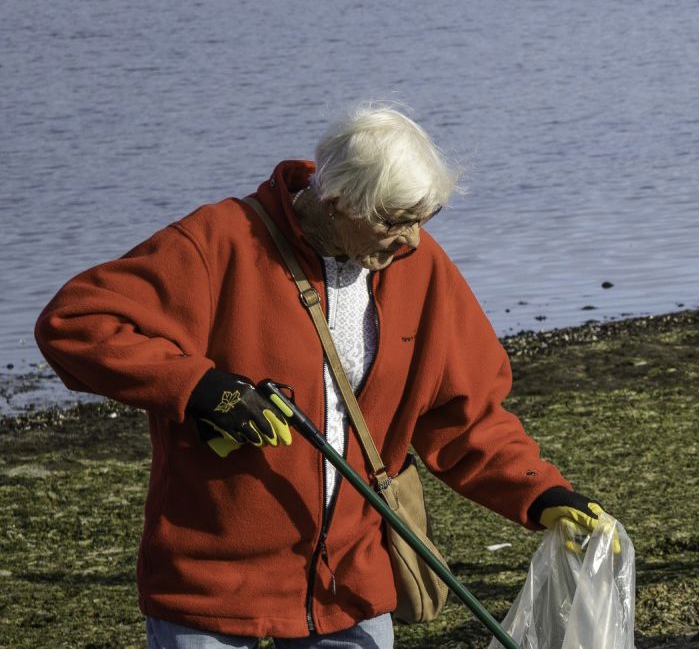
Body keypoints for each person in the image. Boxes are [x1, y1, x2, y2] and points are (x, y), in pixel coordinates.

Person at [35, 103, 614, 646]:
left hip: (352, 588)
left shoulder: (418, 267)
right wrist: (196, 387)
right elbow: (75, 321)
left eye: (424, 219)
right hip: (211, 590)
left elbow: (465, 417)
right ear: (337, 201)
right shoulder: (220, 242)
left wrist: (541, 494)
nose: (412, 239)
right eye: (395, 221)